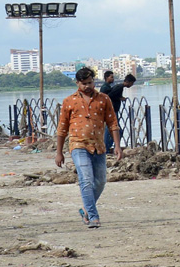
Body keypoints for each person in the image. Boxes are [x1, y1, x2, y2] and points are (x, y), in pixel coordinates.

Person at [56, 67, 122, 229]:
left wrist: (118, 146)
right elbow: (62, 128)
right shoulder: (69, 101)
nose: (87, 86)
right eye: (84, 83)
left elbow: (112, 123)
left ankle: (86, 210)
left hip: (99, 146)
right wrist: (59, 152)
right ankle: (93, 217)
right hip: (78, 145)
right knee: (86, 180)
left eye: (90, 82)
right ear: (78, 83)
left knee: (100, 182)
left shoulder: (103, 99)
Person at [99, 72, 135, 154]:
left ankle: (109, 147)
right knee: (113, 130)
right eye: (111, 77)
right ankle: (107, 148)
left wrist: (119, 97)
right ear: (129, 82)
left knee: (113, 130)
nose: (113, 79)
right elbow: (109, 96)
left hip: (111, 111)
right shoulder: (118, 87)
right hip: (111, 111)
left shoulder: (116, 87)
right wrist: (119, 98)